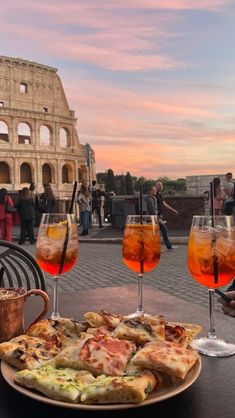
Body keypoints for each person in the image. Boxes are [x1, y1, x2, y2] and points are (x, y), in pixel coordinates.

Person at [155, 181, 179, 250]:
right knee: (161, 230)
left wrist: (173, 210)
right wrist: (157, 215)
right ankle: (161, 247)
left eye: (161, 185)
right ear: (155, 186)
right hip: (156, 216)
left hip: (160, 215)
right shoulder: (155, 195)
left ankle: (168, 246)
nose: (160, 186)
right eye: (158, 185)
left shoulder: (160, 195)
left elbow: (164, 204)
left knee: (163, 230)